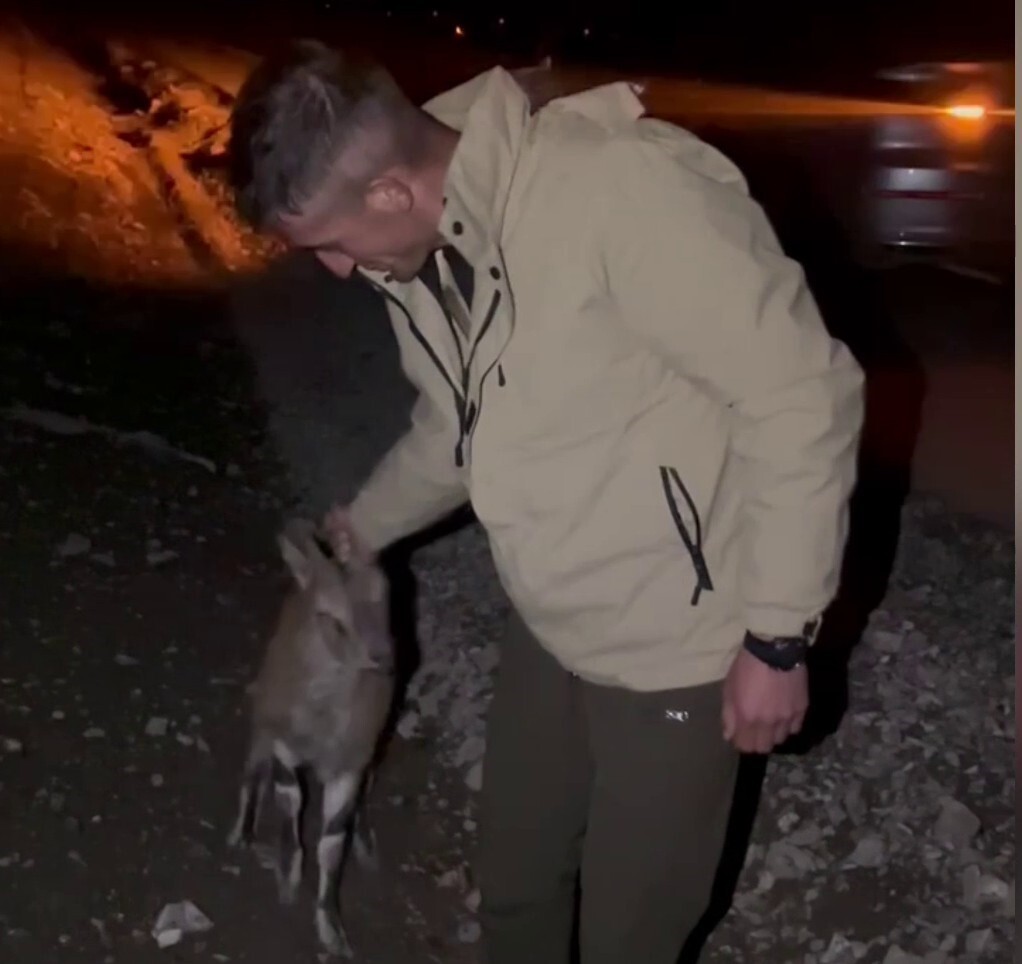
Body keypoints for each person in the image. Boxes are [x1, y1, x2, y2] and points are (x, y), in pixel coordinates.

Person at [227, 41, 865, 964]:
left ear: (392, 192)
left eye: (329, 240)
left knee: (628, 934)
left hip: (677, 647)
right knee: (516, 885)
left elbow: (802, 395)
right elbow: (458, 425)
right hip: (550, 624)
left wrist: (776, 636)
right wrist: (363, 525)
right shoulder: (424, 254)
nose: (332, 269)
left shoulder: (621, 191)